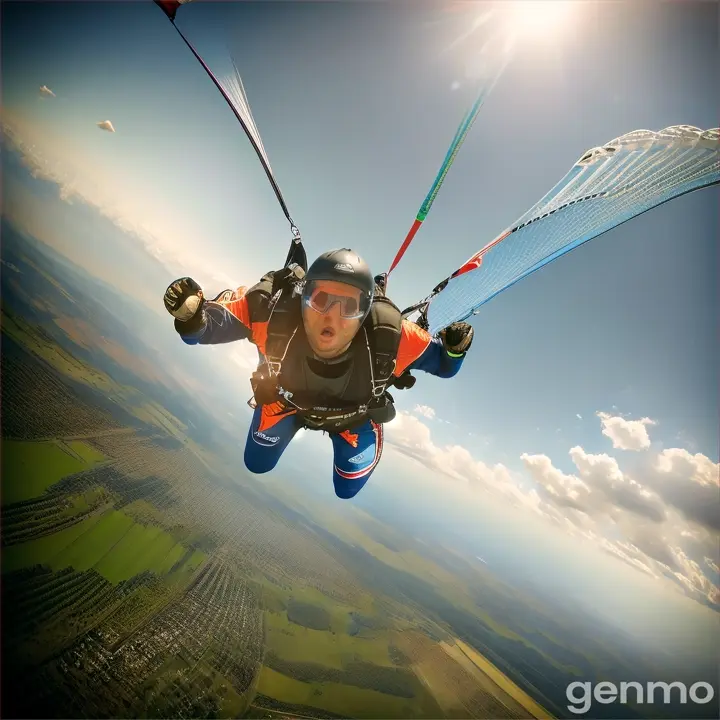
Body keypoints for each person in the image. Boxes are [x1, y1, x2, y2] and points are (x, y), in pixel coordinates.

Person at [163, 248, 473, 499]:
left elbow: (444, 365)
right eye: (322, 299)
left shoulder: (390, 335)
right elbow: (208, 328)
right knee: (256, 464)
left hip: (353, 418)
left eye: (348, 306)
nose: (331, 317)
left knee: (347, 489)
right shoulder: (273, 311)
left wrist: (454, 350)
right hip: (285, 403)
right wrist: (192, 318)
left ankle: (363, 430)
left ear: (365, 313)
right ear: (303, 297)